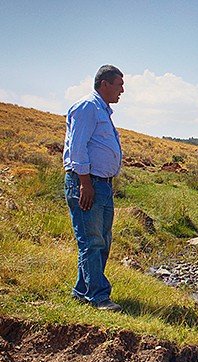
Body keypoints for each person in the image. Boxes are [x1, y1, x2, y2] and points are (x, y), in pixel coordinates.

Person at [63, 65, 125, 311]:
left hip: (102, 186)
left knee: (102, 240)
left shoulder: (103, 110)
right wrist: (85, 184)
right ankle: (98, 297)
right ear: (105, 84)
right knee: (92, 241)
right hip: (88, 183)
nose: (122, 90)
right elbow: (77, 148)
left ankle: (82, 291)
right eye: (119, 84)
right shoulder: (88, 106)